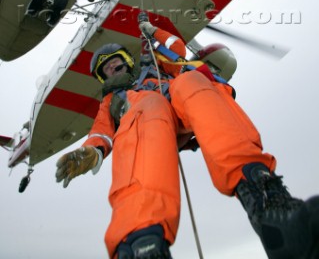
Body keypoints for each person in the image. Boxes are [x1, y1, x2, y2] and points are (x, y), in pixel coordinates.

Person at [56, 18, 319, 259]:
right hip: (149, 126)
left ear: (127, 61)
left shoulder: (156, 66)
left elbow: (178, 50)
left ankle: (269, 204)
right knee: (148, 105)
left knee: (191, 80)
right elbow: (101, 131)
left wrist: (153, 32)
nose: (112, 67)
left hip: (180, 105)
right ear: (105, 78)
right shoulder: (113, 100)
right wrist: (93, 150)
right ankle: (142, 244)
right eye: (106, 69)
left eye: (115, 61)